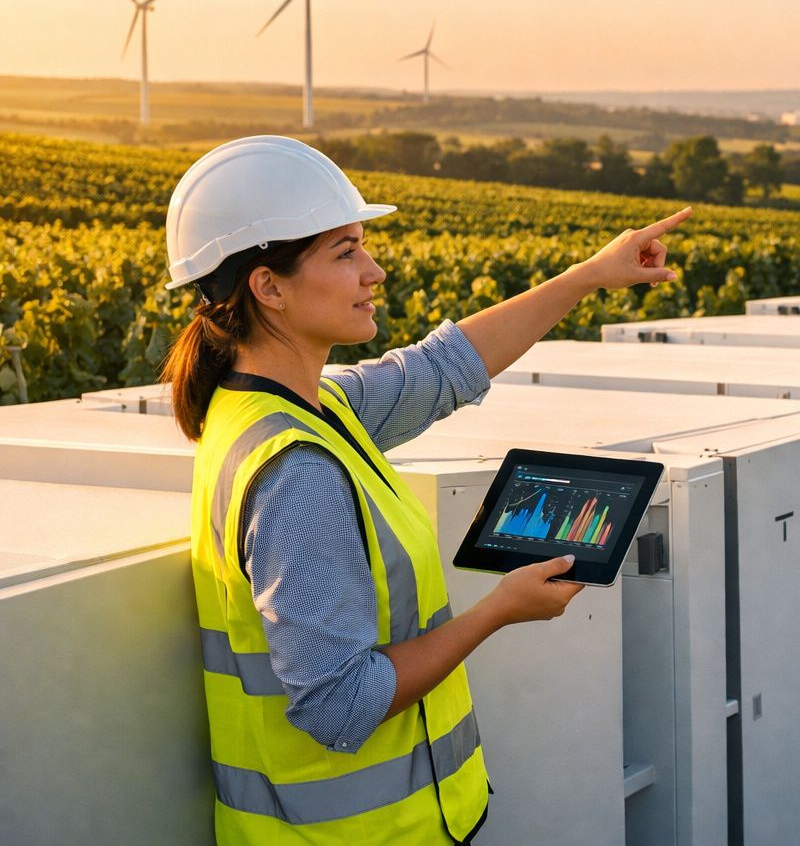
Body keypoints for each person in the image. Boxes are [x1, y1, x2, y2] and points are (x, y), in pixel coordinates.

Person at [160, 135, 690, 844]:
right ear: (269, 287)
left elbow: (445, 367)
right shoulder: (297, 471)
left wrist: (588, 276)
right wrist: (499, 611)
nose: (374, 271)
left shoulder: (303, 408)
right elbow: (339, 706)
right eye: (346, 252)